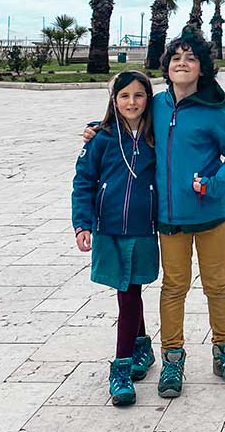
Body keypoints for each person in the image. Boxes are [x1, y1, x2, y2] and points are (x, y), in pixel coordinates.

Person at [84, 28, 225, 399]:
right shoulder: (157, 105)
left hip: (212, 218)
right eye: (176, 58)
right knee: (174, 287)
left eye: (191, 58)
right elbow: (125, 120)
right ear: (167, 66)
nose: (182, 63)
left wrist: (214, 182)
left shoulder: (214, 111)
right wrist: (97, 128)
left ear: (202, 68)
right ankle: (172, 357)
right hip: (169, 220)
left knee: (217, 285)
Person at [71, 71, 160, 407]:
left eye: (139, 96)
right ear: (114, 100)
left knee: (129, 291)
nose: (132, 103)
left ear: (148, 99)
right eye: (124, 96)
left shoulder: (155, 137)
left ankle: (121, 367)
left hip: (142, 229)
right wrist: (82, 224)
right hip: (108, 228)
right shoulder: (101, 139)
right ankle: (140, 346)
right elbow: (83, 183)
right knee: (126, 289)